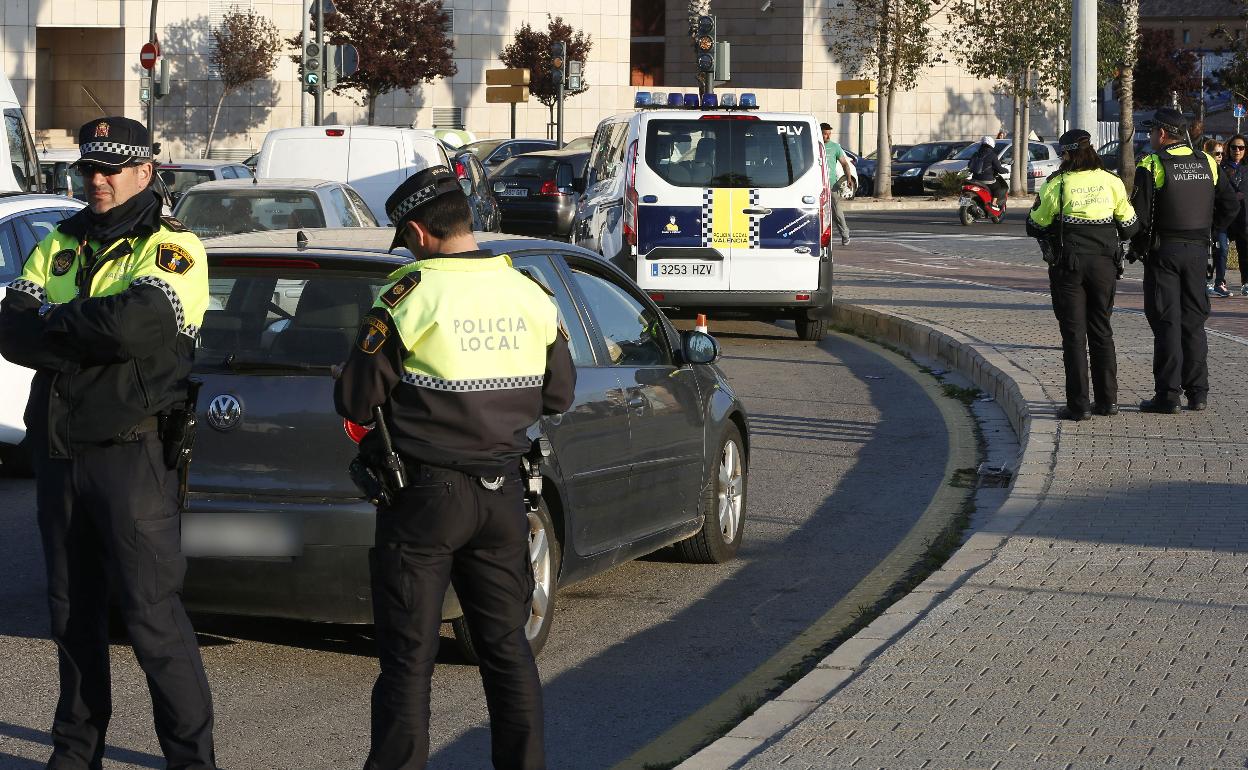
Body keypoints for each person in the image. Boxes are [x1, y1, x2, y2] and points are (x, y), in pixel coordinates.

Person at [334, 165, 576, 770]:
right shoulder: (528, 291)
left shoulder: (410, 292)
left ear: (417, 231)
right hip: (503, 495)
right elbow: (559, 394)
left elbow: (354, 398)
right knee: (505, 648)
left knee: (409, 658)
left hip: (425, 498)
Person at [0, 117, 215, 769]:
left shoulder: (172, 248)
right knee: (72, 616)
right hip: (61, 455)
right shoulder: (60, 242)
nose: (95, 179)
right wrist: (78, 330)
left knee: (152, 622)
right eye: (89, 169)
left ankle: (191, 761)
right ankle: (76, 754)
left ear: (144, 172)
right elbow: (12, 330)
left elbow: (136, 328)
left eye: (110, 168)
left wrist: (56, 325)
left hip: (132, 454)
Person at [1128, 108, 1238, 414]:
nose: (1150, 137)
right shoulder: (1207, 162)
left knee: (1167, 322)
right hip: (1198, 252)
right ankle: (1198, 393)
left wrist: (1137, 248)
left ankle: (1167, 396)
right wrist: (1211, 231)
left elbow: (1139, 216)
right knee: (1194, 322)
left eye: (1152, 132)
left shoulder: (1152, 164)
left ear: (1163, 134)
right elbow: (1230, 205)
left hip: (1164, 252)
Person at [1026, 129, 1139, 421]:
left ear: (1066, 154)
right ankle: (1108, 401)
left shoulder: (1057, 184)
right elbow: (1129, 225)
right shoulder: (1111, 181)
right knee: (1102, 330)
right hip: (1104, 266)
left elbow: (1035, 224)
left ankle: (1078, 406)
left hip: (1069, 266)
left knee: (1074, 336)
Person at [1203, 139, 1231, 296]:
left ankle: (1220, 282)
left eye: (1222, 153)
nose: (1220, 157)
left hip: (1220, 221)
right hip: (1205, 219)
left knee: (1222, 249)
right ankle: (1205, 281)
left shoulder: (1225, 172)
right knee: (1206, 251)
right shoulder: (1203, 172)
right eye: (1216, 153)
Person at [820, 122, 855, 245]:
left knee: (836, 211)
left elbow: (845, 163)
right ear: (820, 133)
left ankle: (845, 235)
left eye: (829, 134)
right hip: (816, 186)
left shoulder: (835, 147)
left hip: (832, 185)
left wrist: (849, 178)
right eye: (825, 134)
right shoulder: (813, 145)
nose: (828, 137)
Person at [1221, 134, 1248, 296]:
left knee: (1245, 252)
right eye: (1233, 147)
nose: (1237, 150)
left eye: (1241, 147)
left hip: (1244, 217)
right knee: (1221, 250)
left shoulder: (1246, 169)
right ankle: (1219, 281)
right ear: (1228, 148)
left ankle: (1246, 282)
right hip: (1225, 217)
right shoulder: (1221, 167)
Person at [968, 135, 1008, 207]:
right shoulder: (992, 155)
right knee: (998, 187)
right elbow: (999, 169)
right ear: (991, 144)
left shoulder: (976, 154)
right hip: (987, 181)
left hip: (974, 179)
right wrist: (1006, 170)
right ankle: (994, 202)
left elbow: (969, 165)